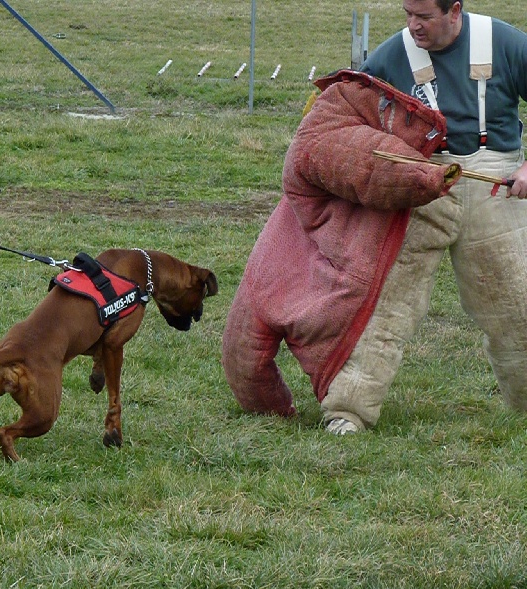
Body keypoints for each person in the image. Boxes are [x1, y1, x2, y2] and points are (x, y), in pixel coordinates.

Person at [221, 0, 527, 435]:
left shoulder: (504, 43)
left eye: (424, 17)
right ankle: (347, 411)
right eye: (408, 14)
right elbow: (343, 112)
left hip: (497, 187)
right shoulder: (390, 56)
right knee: (382, 304)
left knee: (516, 305)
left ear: (455, 11)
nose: (413, 26)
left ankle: (524, 408)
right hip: (418, 185)